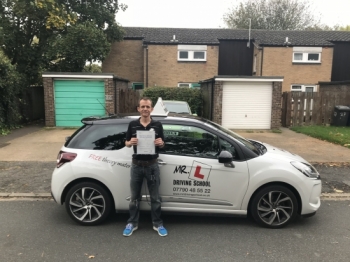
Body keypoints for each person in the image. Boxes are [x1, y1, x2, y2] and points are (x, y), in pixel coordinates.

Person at [123, 97, 167, 237]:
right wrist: (130, 142)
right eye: (142, 107)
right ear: (138, 109)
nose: (145, 109)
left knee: (155, 197)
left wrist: (161, 143)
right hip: (136, 166)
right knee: (134, 197)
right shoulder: (132, 125)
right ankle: (132, 223)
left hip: (152, 165)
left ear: (152, 109)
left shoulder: (158, 125)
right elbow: (126, 142)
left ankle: (157, 223)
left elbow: (163, 144)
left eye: (148, 107)